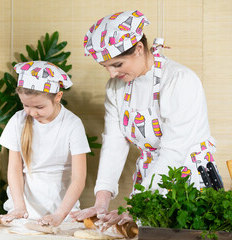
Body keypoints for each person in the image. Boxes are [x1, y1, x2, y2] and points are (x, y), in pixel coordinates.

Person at [70, 10, 222, 230]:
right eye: (106, 67)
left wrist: (140, 202)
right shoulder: (116, 88)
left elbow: (174, 151)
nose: (112, 74)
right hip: (149, 182)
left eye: (118, 64)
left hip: (189, 182)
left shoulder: (179, 80)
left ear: (139, 49)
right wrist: (101, 202)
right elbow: (114, 143)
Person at [0, 61, 90, 227]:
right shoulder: (17, 121)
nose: (32, 112)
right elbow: (14, 169)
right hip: (24, 206)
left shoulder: (72, 125)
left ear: (58, 97)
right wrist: (19, 207)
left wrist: (60, 215)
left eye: (39, 106)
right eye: (26, 105)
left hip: (62, 210)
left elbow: (78, 178)